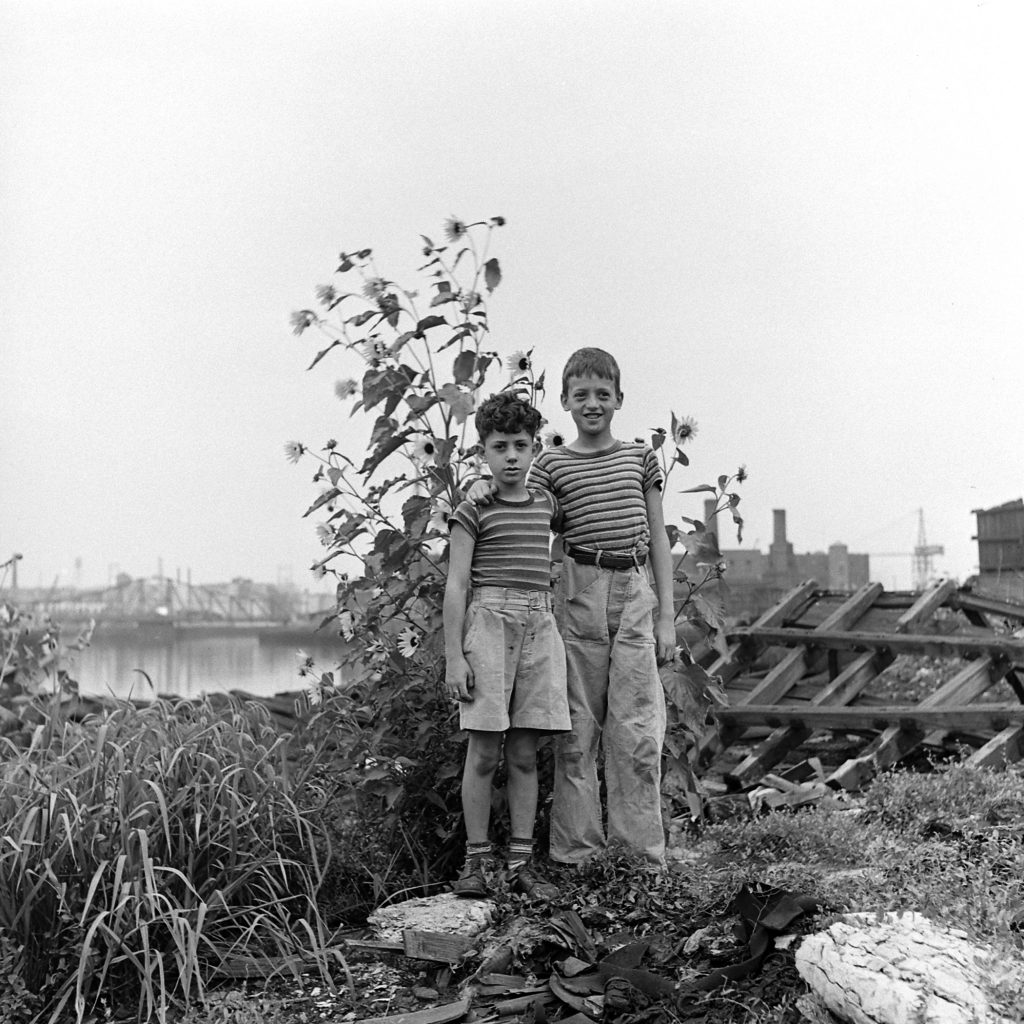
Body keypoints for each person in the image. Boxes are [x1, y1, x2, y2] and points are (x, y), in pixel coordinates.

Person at [469, 347, 675, 869]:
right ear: (563, 401)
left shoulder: (638, 458)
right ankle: (575, 854)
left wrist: (667, 618)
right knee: (577, 731)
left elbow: (657, 541)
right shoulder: (552, 466)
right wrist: (476, 494)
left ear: (619, 400)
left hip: (633, 594)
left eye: (602, 394)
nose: (592, 403)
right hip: (579, 594)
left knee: (637, 732)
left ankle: (638, 856)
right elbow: (519, 506)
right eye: (580, 395)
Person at [443, 390, 571, 900]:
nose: (512, 457)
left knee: (522, 753)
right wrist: (455, 657)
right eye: (500, 447)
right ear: (484, 452)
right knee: (481, 753)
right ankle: (476, 862)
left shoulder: (545, 504)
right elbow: (456, 585)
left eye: (521, 445)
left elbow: (570, 526)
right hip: (489, 626)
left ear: (535, 448)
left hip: (539, 625)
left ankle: (520, 861)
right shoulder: (473, 509)